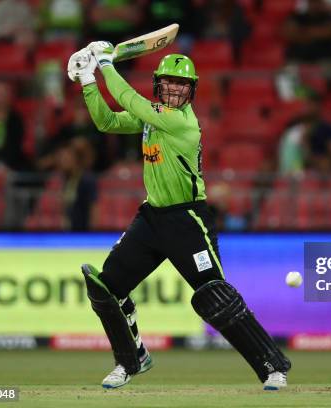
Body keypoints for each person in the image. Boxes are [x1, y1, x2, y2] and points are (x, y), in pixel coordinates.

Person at [67, 44, 291, 389]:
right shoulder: (153, 117)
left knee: (215, 296)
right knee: (106, 288)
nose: (175, 89)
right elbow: (107, 121)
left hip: (187, 220)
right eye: (169, 83)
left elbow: (128, 100)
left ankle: (272, 367)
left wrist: (106, 64)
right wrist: (86, 79)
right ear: (159, 84)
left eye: (182, 85)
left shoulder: (181, 123)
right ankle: (131, 359)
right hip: (151, 219)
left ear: (192, 91)